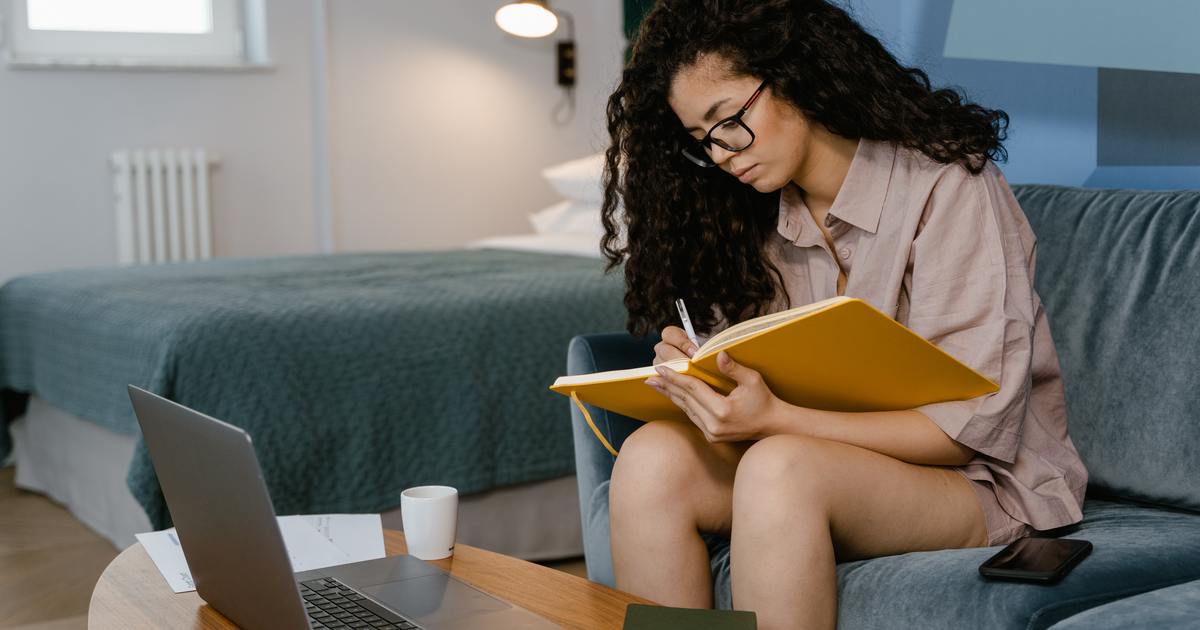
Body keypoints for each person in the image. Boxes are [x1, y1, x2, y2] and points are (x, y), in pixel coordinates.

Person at [595, 1, 1088, 628]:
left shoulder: (947, 185)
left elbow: (965, 430)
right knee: (649, 461)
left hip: (981, 480)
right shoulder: (754, 215)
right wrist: (702, 375)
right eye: (701, 142)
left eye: (729, 122)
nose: (721, 154)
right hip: (828, 458)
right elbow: (759, 375)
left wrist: (774, 419)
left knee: (781, 467)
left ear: (795, 74)